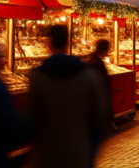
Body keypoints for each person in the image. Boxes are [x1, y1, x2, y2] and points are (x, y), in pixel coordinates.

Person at [27, 25, 108, 168]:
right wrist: (90, 151)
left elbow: (30, 120)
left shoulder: (37, 77)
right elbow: (100, 118)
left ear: (49, 43)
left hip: (46, 156)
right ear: (68, 42)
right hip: (78, 154)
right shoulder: (89, 76)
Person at [85, 39, 112, 124]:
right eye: (108, 49)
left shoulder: (94, 60)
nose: (108, 52)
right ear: (104, 50)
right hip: (96, 105)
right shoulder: (95, 63)